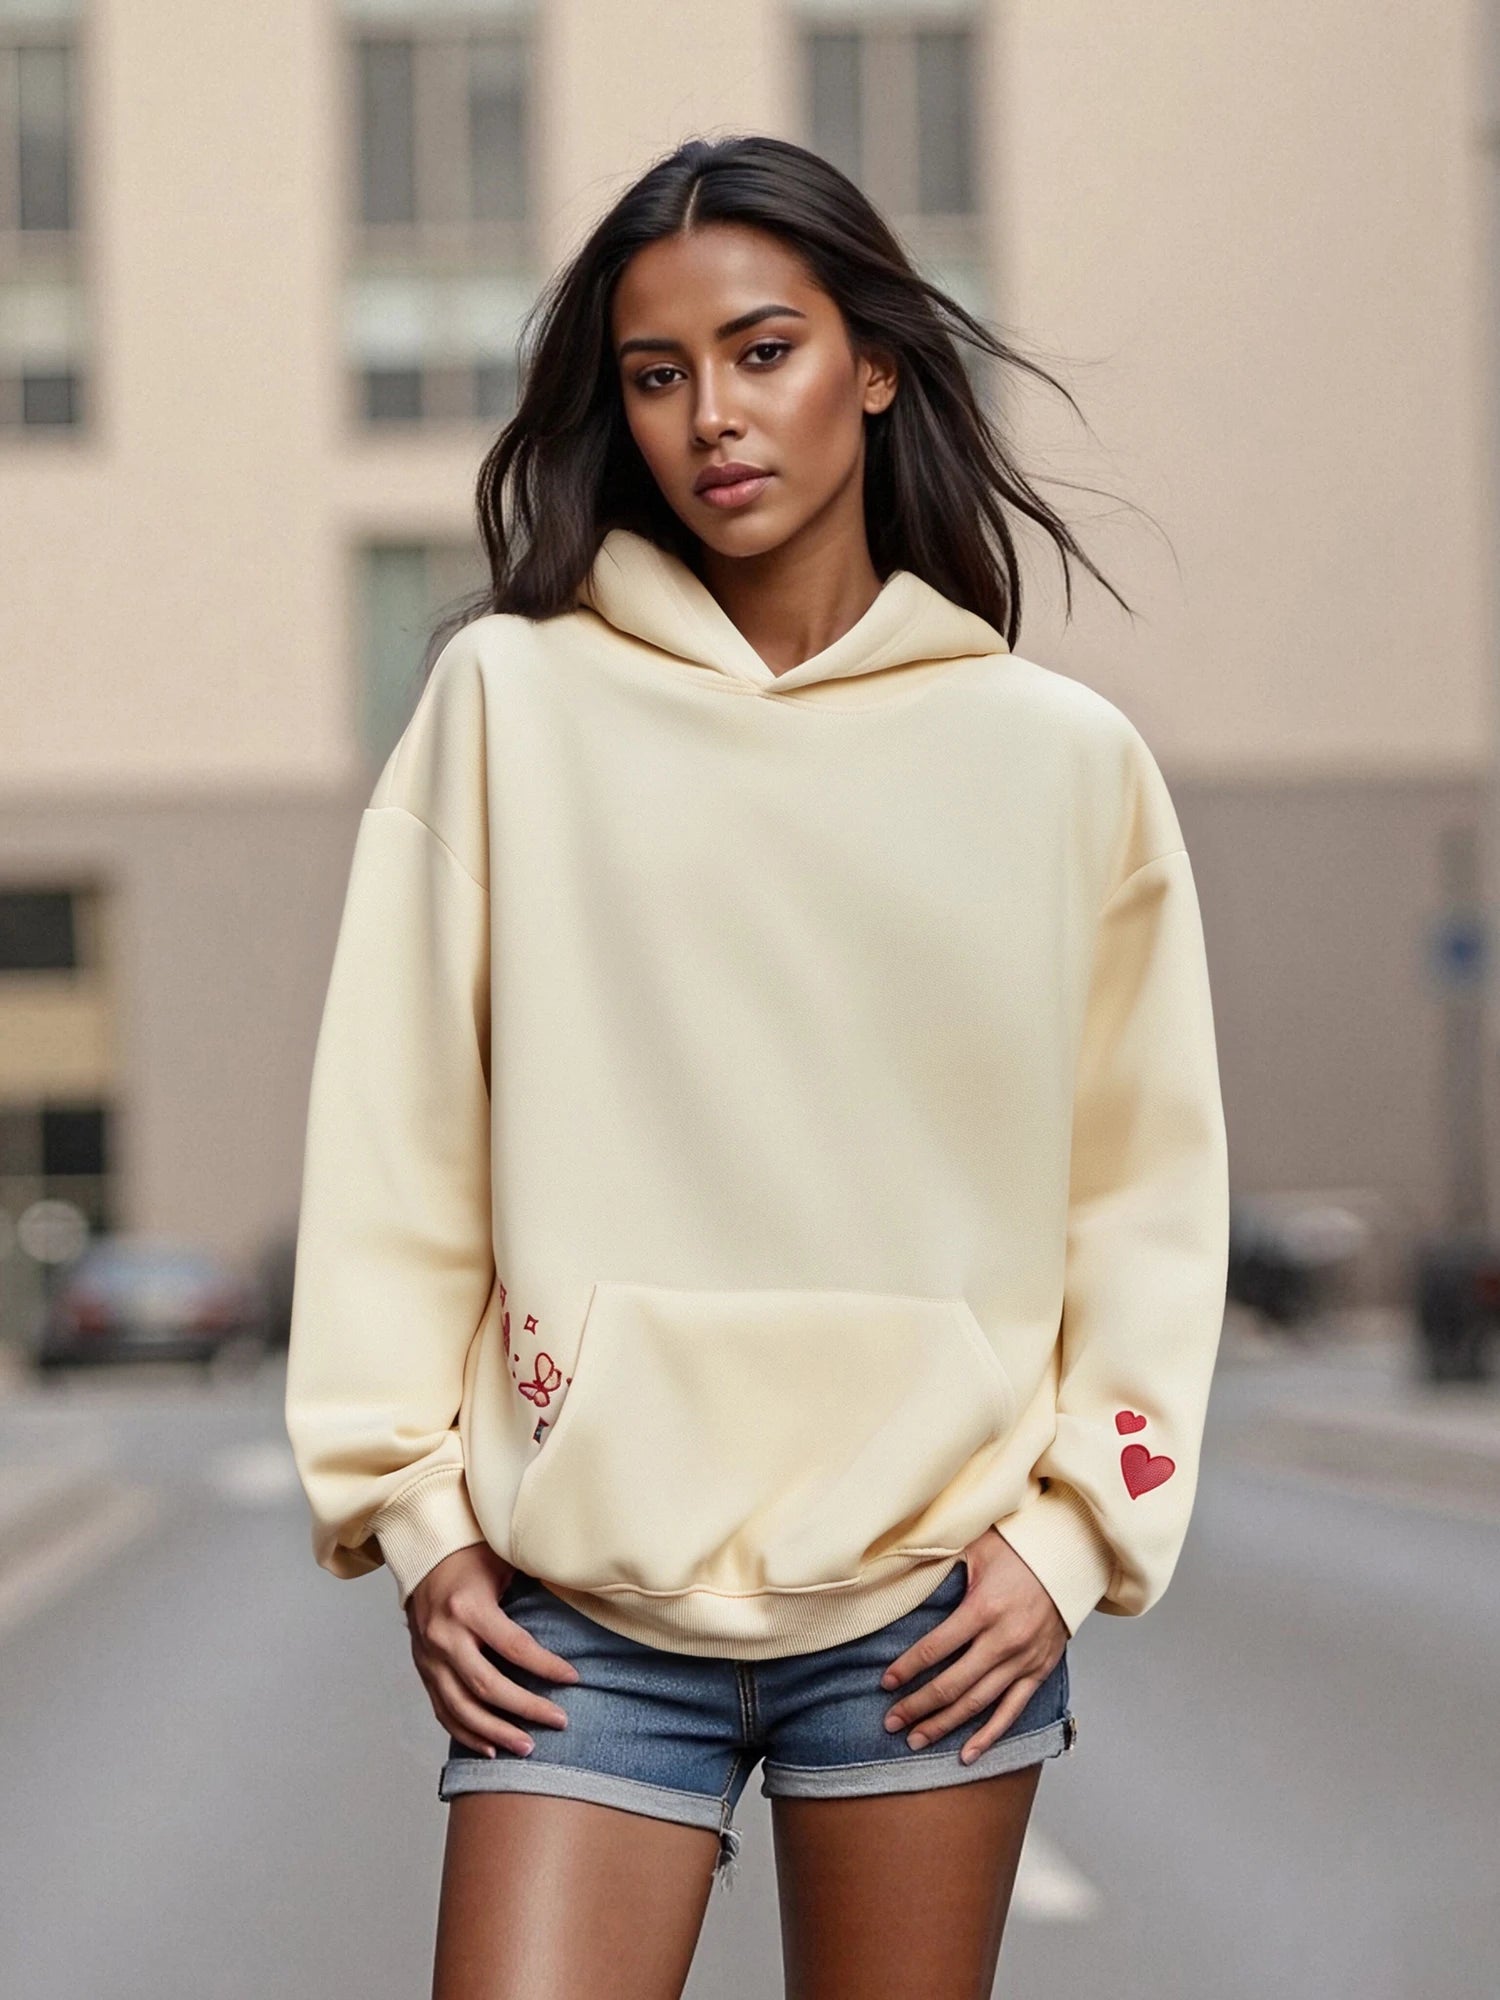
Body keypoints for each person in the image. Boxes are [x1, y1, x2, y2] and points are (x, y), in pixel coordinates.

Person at [283, 132, 1230, 2000]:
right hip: (578, 1613)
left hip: (931, 1606)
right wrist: (417, 1521)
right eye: (656, 375)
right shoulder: (507, 704)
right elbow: (403, 1136)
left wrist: (1070, 1538)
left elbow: (1144, 1190)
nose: (712, 416)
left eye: (764, 349)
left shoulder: (1062, 762)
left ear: (873, 362)